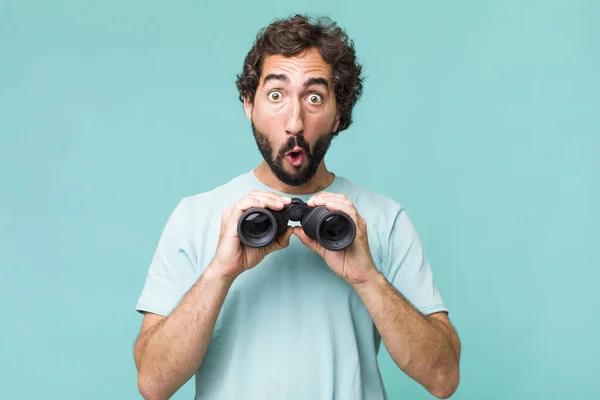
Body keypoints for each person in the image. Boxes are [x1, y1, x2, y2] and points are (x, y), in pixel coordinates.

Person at [133, 14, 461, 400]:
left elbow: (443, 378)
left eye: (314, 97)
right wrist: (219, 273)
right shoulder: (194, 216)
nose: (294, 121)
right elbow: (153, 384)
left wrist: (367, 278)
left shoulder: (385, 219)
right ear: (248, 105)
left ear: (339, 114)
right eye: (275, 95)